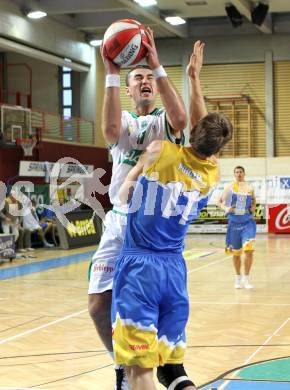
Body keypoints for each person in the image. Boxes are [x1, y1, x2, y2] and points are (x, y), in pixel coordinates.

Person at [110, 41, 232, 390]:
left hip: (140, 268)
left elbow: (122, 195)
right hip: (175, 271)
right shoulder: (211, 174)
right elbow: (202, 131)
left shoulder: (160, 150)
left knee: (140, 372)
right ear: (217, 150)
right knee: (174, 372)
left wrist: (134, 178)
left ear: (191, 134)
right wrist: (194, 80)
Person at [88, 26, 187, 389]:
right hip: (118, 221)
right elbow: (111, 128)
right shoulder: (126, 122)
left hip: (151, 226)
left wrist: (157, 66)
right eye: (138, 77)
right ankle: (120, 364)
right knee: (99, 306)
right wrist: (111, 72)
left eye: (148, 77)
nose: (145, 81)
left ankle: (155, 368)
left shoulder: (164, 122)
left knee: (150, 311)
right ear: (129, 89)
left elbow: (181, 121)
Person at [217, 166, 256, 289]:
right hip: (234, 224)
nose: (239, 174)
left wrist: (254, 207)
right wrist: (225, 208)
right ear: (234, 174)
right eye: (237, 172)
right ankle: (238, 277)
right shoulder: (229, 187)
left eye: (241, 172)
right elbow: (218, 202)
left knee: (249, 250)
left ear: (244, 173)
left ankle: (246, 278)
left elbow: (254, 201)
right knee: (236, 254)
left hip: (248, 223)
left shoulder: (250, 187)